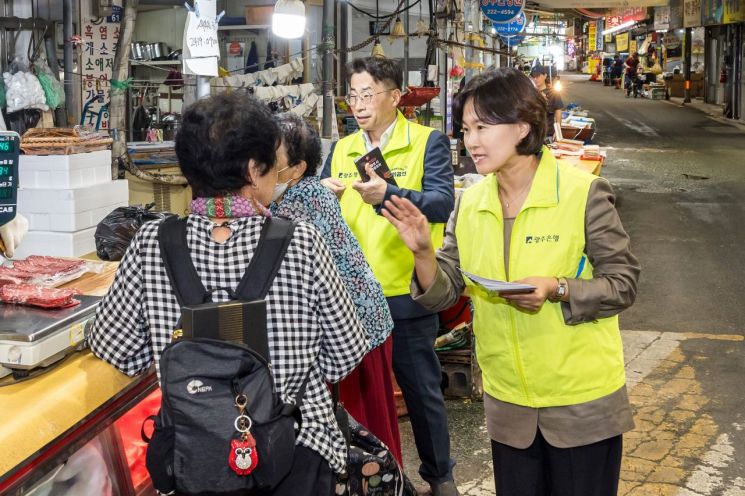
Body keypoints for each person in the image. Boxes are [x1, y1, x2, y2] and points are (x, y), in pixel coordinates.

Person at [88, 92, 369, 495]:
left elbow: (118, 351)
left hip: (196, 460)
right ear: (254, 169)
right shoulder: (302, 242)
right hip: (296, 453)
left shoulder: (152, 242)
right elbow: (343, 356)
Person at [381, 68, 640, 495]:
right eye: (465, 129)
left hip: (580, 401)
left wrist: (558, 288)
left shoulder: (584, 193)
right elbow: (445, 290)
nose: (471, 141)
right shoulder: (469, 203)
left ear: (522, 126)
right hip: (509, 405)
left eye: (483, 127)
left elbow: (624, 283)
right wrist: (423, 254)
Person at [321, 57, 458, 496]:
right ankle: (376, 476)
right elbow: (320, 212)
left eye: (367, 94)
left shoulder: (426, 142)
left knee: (421, 390)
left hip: (404, 291)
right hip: (348, 298)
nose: (358, 104)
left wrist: (390, 194)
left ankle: (441, 477)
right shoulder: (343, 148)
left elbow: (441, 204)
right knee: (359, 394)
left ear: (395, 96)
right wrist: (319, 193)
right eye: (353, 95)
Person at [269, 112, 401, 463]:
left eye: (271, 159)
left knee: (359, 437)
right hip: (362, 324)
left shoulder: (299, 202)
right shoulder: (308, 191)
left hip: (353, 333)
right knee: (370, 431)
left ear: (296, 169)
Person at [529, 65, 563, 139]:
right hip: (533, 134)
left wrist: (557, 130)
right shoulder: (530, 93)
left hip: (548, 134)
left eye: (538, 76)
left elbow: (558, 111)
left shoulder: (553, 93)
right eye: (533, 76)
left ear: (545, 75)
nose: (535, 79)